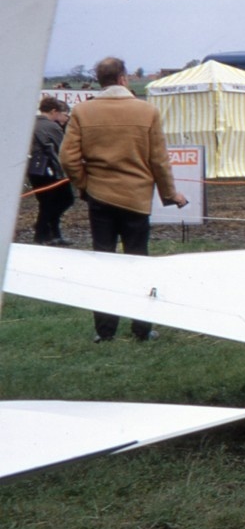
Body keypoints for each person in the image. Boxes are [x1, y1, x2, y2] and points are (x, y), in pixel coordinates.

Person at [60, 56, 187, 342]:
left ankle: (104, 333)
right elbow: (159, 161)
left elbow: (67, 158)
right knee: (138, 262)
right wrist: (170, 194)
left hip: (100, 198)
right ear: (124, 79)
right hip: (136, 199)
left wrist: (85, 185)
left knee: (103, 263)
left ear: (99, 80)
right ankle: (142, 329)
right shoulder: (147, 111)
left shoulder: (82, 111)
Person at [28, 96, 74, 245]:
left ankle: (53, 233)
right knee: (65, 199)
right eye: (62, 113)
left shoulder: (31, 123)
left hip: (34, 170)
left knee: (46, 203)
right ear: (54, 111)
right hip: (50, 170)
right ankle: (41, 233)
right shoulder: (51, 126)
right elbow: (65, 147)